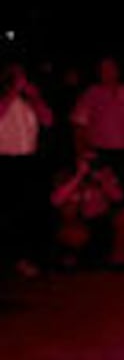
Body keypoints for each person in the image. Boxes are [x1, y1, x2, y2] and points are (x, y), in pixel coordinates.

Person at [69, 56, 124, 266]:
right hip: (98, 155)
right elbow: (79, 126)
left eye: (110, 68)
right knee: (95, 205)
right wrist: (82, 155)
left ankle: (121, 254)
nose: (107, 73)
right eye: (102, 69)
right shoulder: (90, 95)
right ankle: (91, 252)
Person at [0, 62, 53, 277]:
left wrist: (35, 98)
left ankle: (25, 259)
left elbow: (48, 120)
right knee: (6, 213)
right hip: (4, 161)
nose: (21, 81)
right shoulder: (5, 99)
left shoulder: (29, 101)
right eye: (15, 77)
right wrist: (12, 92)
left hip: (28, 161)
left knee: (27, 212)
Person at [50, 149, 124, 269]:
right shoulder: (67, 176)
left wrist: (103, 180)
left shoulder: (105, 174)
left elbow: (119, 197)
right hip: (78, 223)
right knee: (70, 212)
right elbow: (56, 200)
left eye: (94, 161)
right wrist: (79, 176)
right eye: (86, 161)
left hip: (101, 221)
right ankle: (70, 258)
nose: (91, 164)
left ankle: (118, 260)